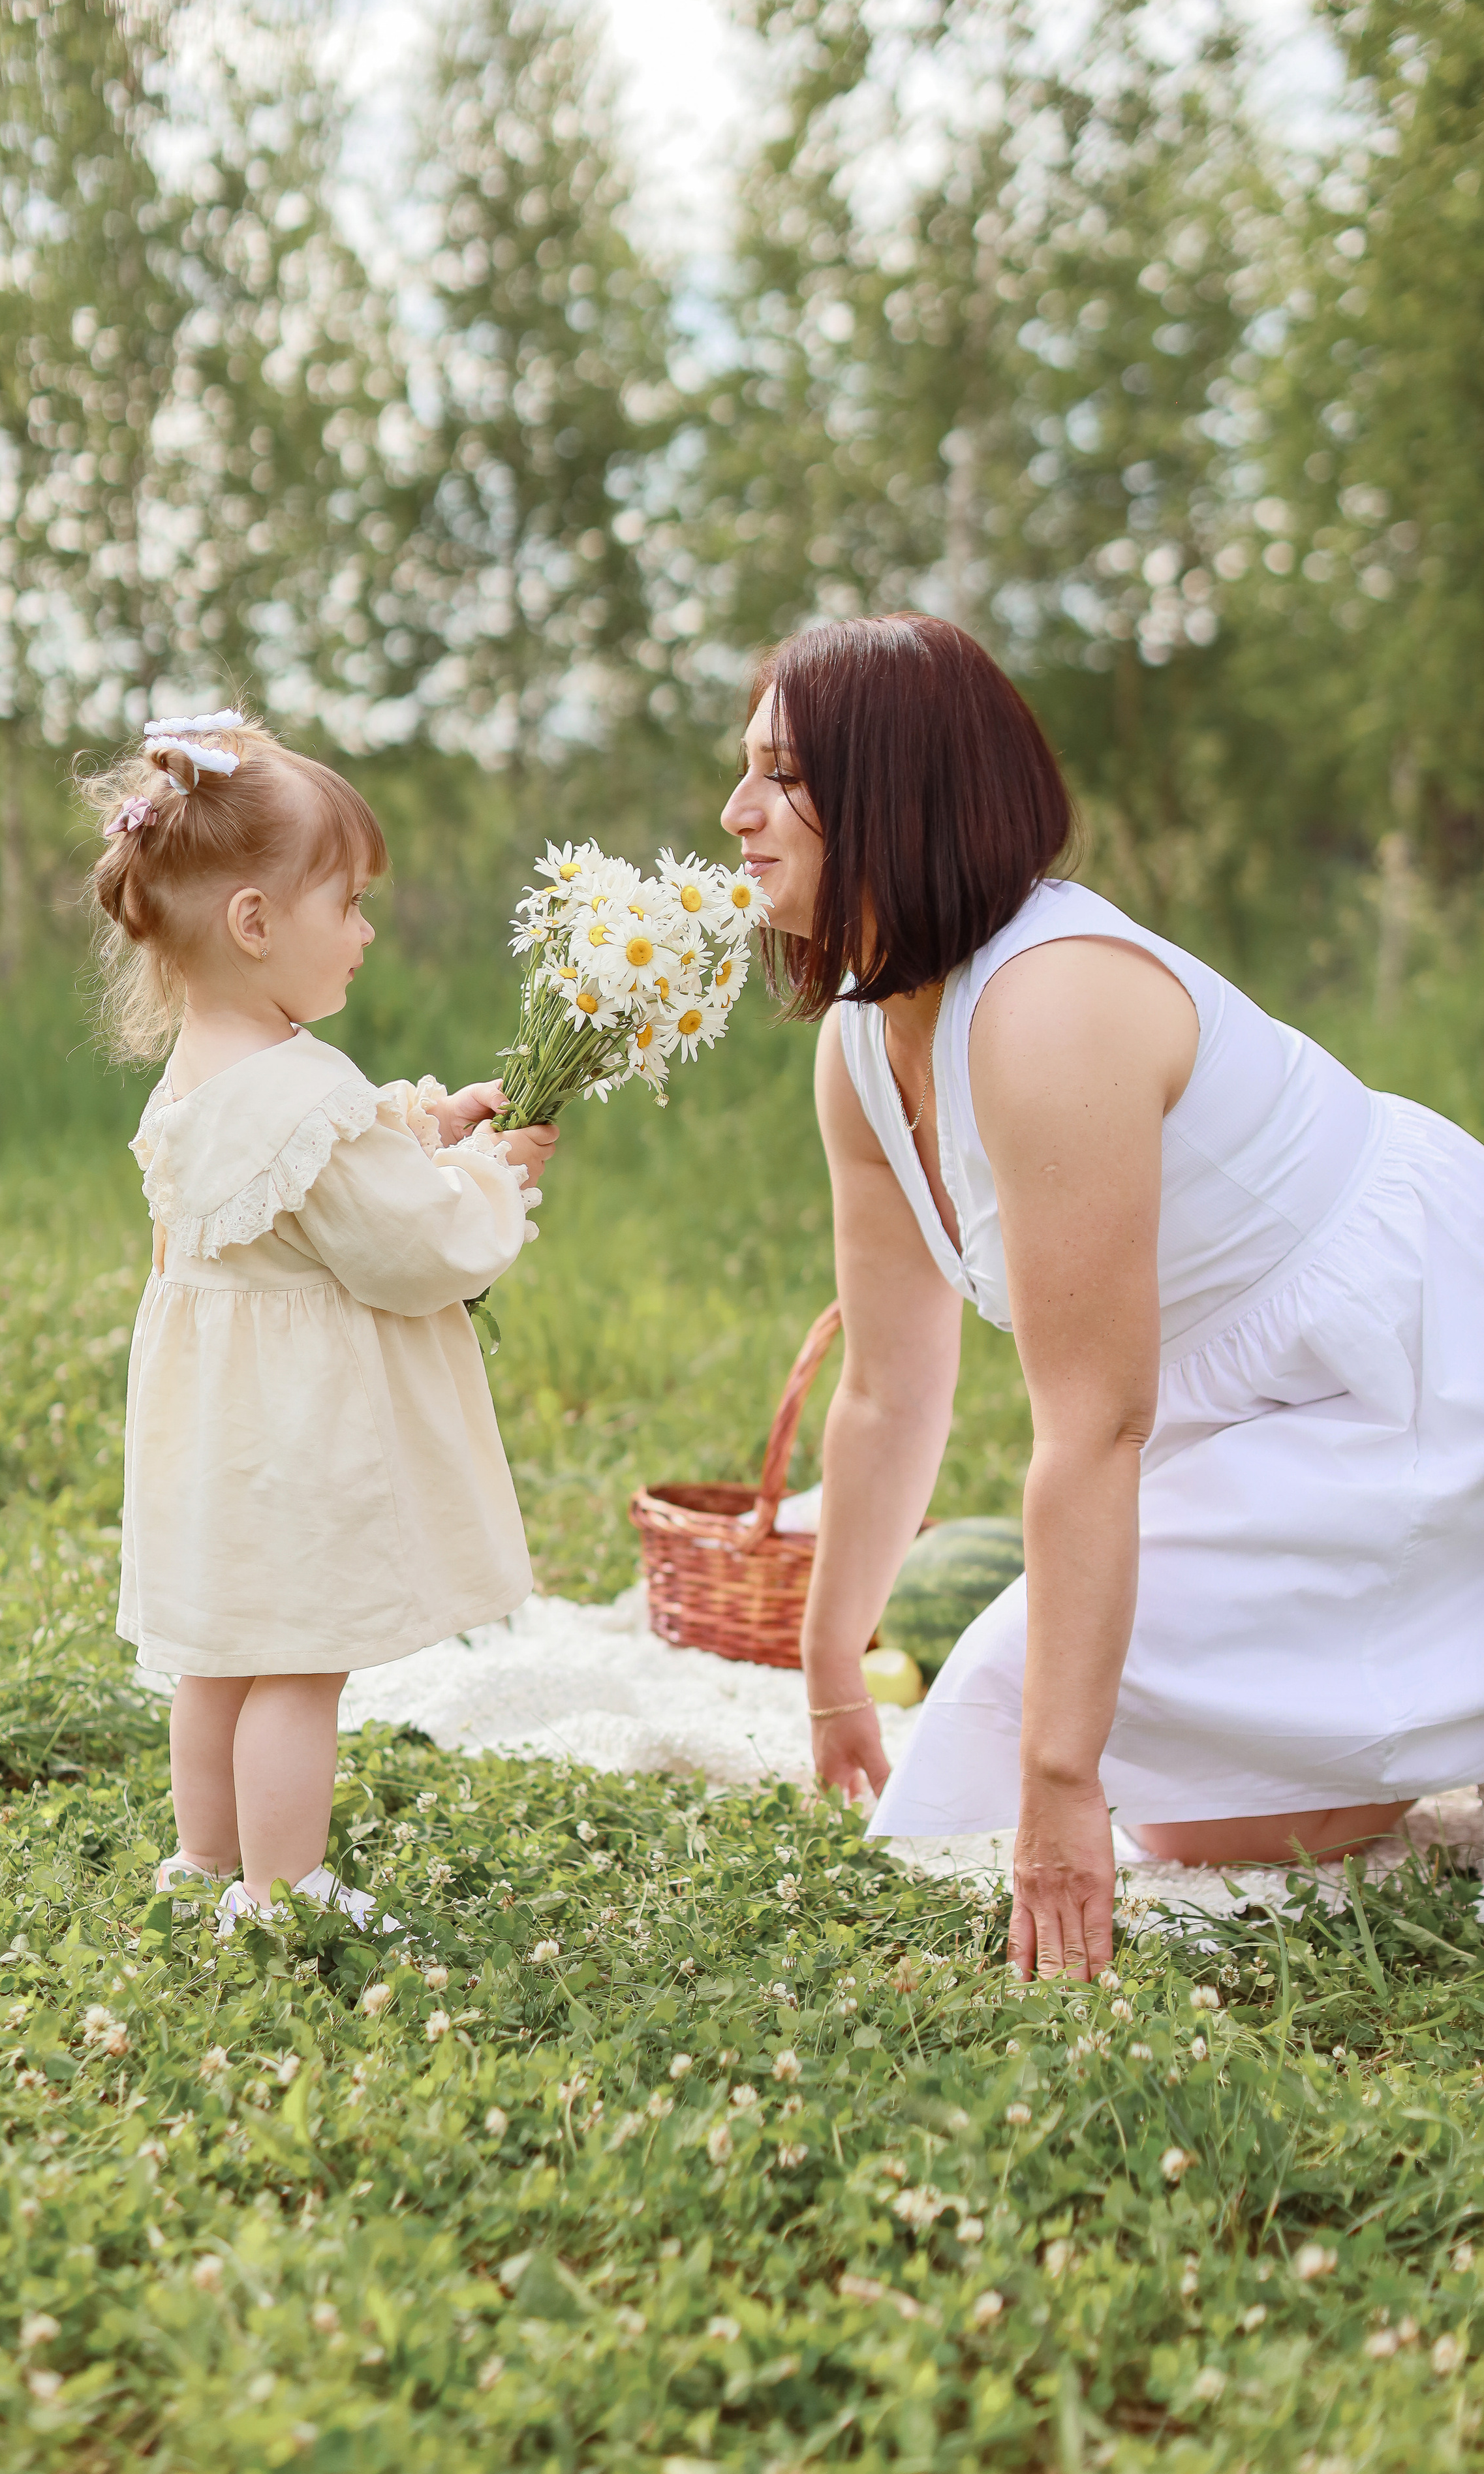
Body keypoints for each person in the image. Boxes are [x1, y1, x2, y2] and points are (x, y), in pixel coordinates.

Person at [719, 614, 1484, 1983]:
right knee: (1212, 1814)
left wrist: (1060, 1785)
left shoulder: (1047, 1007)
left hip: (1402, 1353)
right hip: (1241, 1405)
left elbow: (1092, 1427)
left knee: (1030, 1706)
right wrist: (831, 1658)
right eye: (744, 772)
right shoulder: (853, 1042)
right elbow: (891, 1385)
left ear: (898, 790)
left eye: (780, 777)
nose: (735, 814)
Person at [84, 709, 557, 1932]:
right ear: (256, 923)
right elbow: (412, 1248)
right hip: (295, 1435)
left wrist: (427, 1124)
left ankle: (205, 1864)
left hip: (212, 1430)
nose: (362, 932)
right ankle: (285, 1890)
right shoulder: (304, 1091)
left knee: (220, 1653)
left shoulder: (205, 1072)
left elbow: (302, 1188)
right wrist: (495, 1177)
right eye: (345, 906)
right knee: (298, 1662)